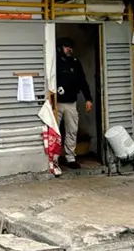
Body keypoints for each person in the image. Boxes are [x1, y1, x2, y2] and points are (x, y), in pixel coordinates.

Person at [54, 37, 93, 169]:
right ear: (60, 48)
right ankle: (53, 159)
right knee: (55, 132)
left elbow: (82, 81)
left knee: (72, 130)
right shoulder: (54, 62)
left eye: (70, 47)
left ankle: (70, 158)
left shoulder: (75, 62)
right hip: (56, 103)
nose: (69, 49)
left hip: (71, 103)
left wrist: (88, 98)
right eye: (66, 47)